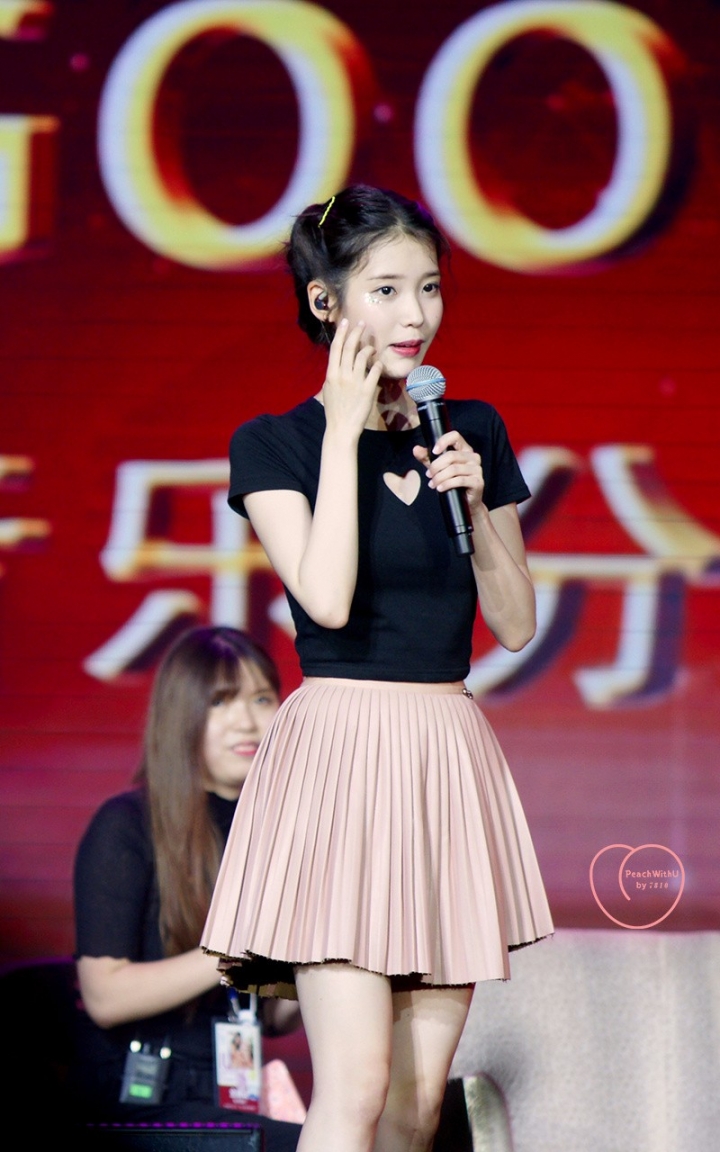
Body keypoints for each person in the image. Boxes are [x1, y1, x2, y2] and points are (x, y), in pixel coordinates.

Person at [201, 185, 554, 1152]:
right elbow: (325, 598)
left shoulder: (469, 428)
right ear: (327, 302)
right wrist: (345, 432)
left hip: (444, 749)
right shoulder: (272, 443)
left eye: (429, 288)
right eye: (387, 290)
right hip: (341, 755)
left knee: (414, 1103)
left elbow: (516, 624)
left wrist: (475, 503)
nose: (415, 314)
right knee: (354, 1086)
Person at [73, 626, 301, 1151]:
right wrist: (235, 951)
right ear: (182, 715)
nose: (247, 721)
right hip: (140, 1095)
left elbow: (272, 1016)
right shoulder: (127, 824)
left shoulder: (278, 831)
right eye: (221, 701)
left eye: (262, 699)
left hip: (231, 1093)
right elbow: (105, 995)